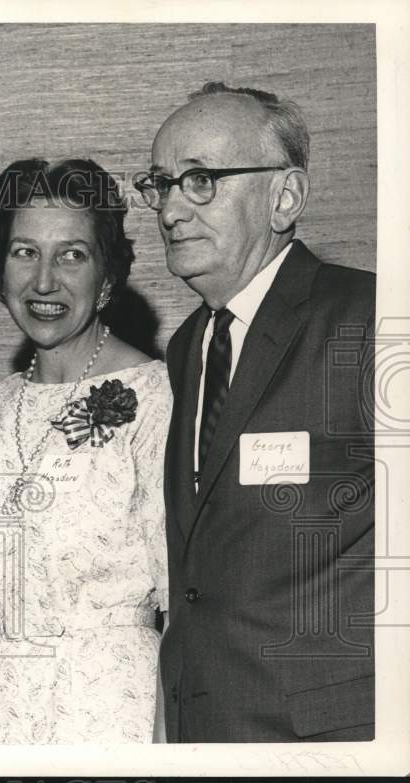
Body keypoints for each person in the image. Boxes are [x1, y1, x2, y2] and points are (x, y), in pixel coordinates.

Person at [137, 82, 375, 742]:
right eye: (161, 184)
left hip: (328, 737)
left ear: (285, 196)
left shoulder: (369, 319)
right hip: (206, 726)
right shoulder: (189, 345)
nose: (170, 210)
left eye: (201, 180)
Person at [0, 158, 172, 744]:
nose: (44, 281)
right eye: (24, 252)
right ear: (0, 270)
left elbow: (186, 615)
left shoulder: (156, 398)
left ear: (108, 277)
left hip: (109, 718)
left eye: (72, 254)